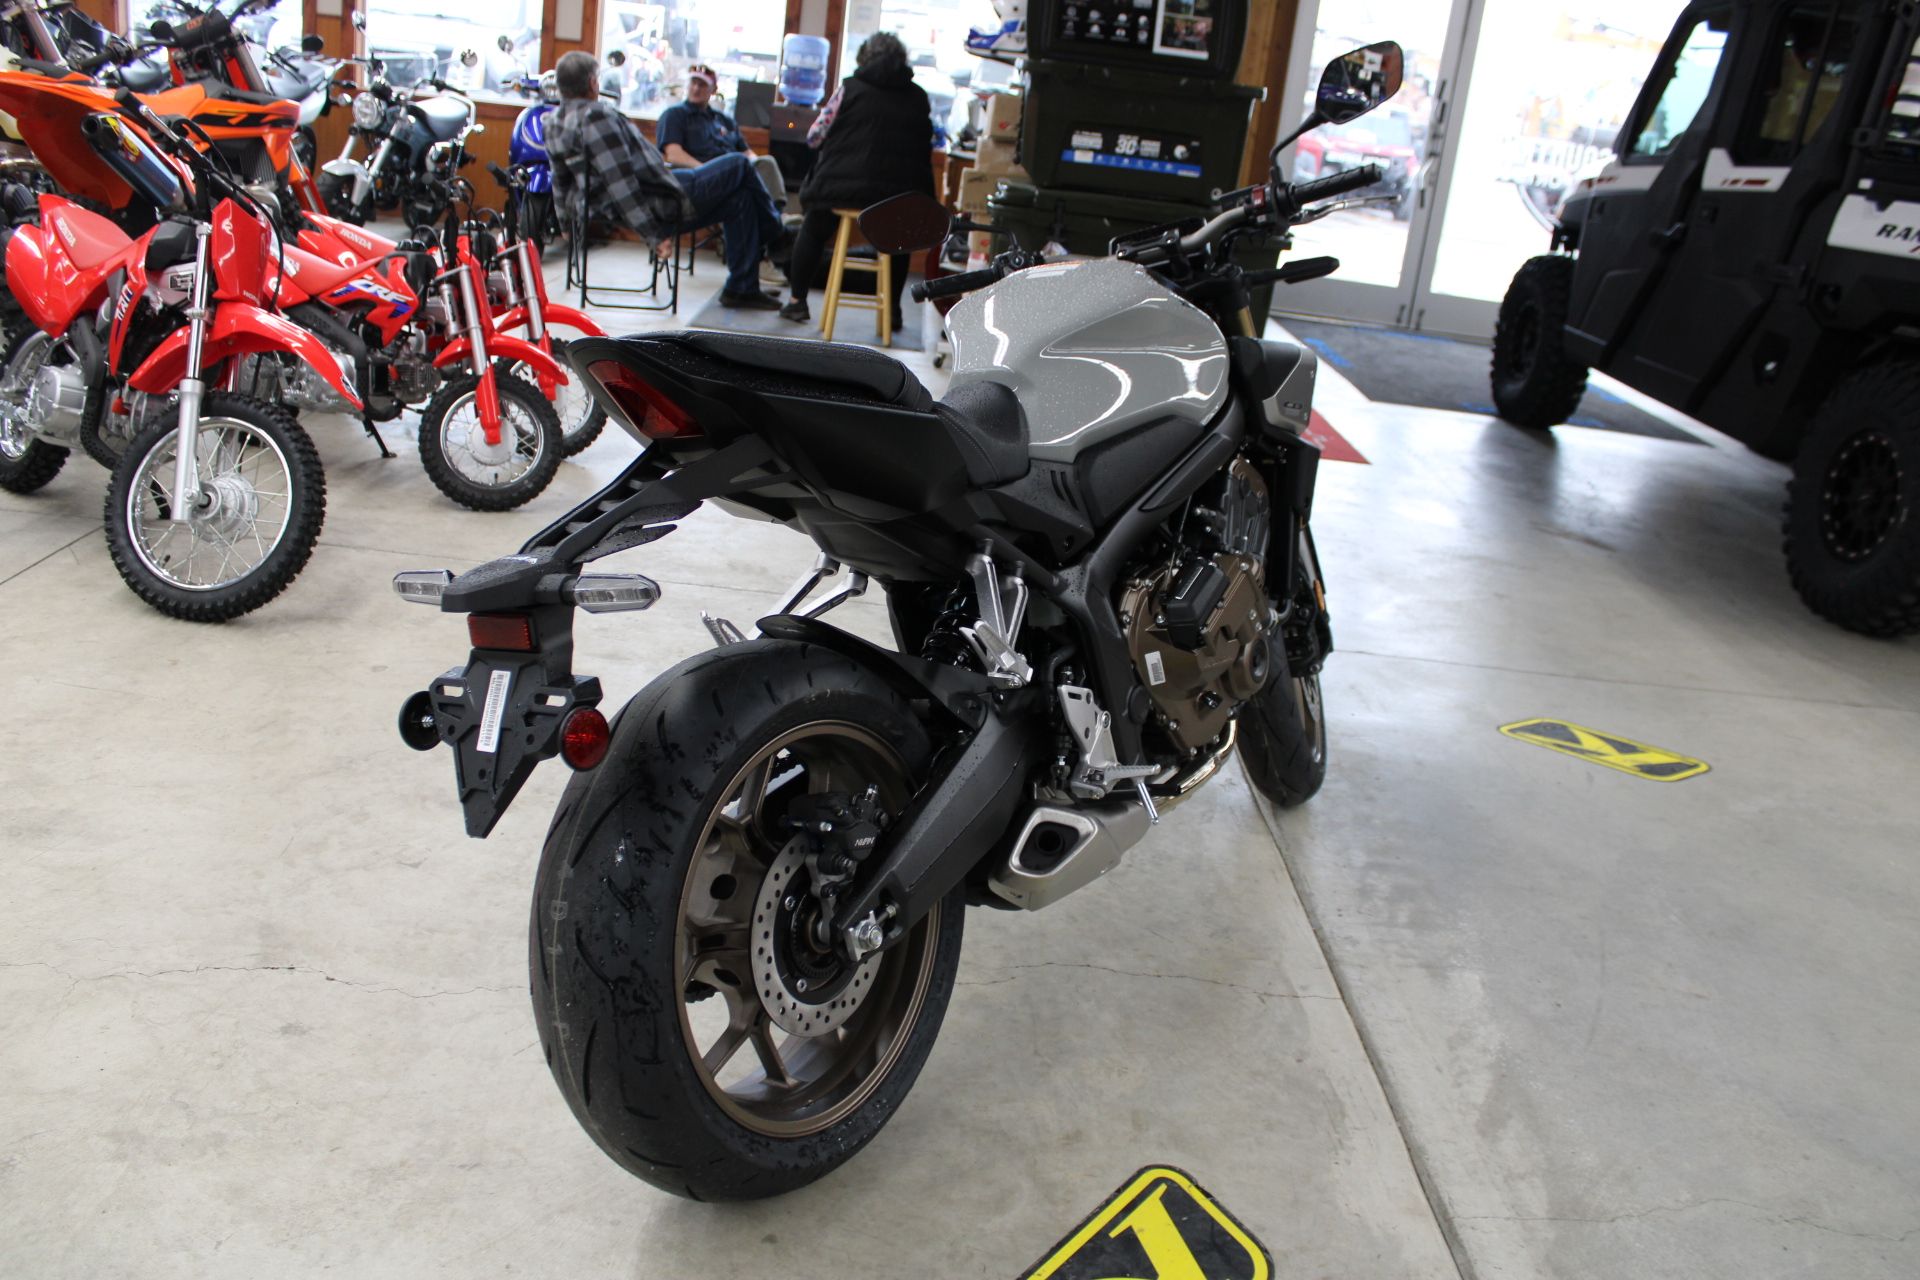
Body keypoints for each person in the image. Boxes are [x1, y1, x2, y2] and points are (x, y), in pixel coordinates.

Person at [546, 50, 785, 309]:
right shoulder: (595, 117)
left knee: (741, 199)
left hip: (654, 188)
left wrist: (565, 225)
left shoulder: (554, 122)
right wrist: (653, 235)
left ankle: (742, 288)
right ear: (593, 82)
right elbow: (621, 184)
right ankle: (778, 237)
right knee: (739, 165)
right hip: (658, 197)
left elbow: (560, 182)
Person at [779, 32, 934, 327]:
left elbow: (815, 136)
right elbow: (926, 144)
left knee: (814, 227)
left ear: (864, 58)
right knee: (898, 238)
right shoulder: (918, 97)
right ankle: (893, 312)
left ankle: (797, 302)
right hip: (898, 194)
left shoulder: (849, 89)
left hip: (840, 189)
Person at [657, 63, 788, 208]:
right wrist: (708, 170)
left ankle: (777, 213)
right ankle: (772, 218)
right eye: (693, 83)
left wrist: (752, 165)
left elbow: (747, 152)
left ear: (713, 90)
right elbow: (674, 155)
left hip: (734, 174)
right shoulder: (674, 115)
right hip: (700, 177)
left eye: (702, 85)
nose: (696, 88)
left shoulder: (723, 119)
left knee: (766, 163)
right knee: (739, 163)